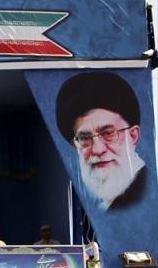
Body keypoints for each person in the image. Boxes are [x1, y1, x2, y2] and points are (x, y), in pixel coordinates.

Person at [56, 71, 147, 210]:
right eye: (85, 138)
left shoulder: (148, 196)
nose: (98, 149)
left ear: (133, 136)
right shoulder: (101, 204)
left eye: (108, 133)